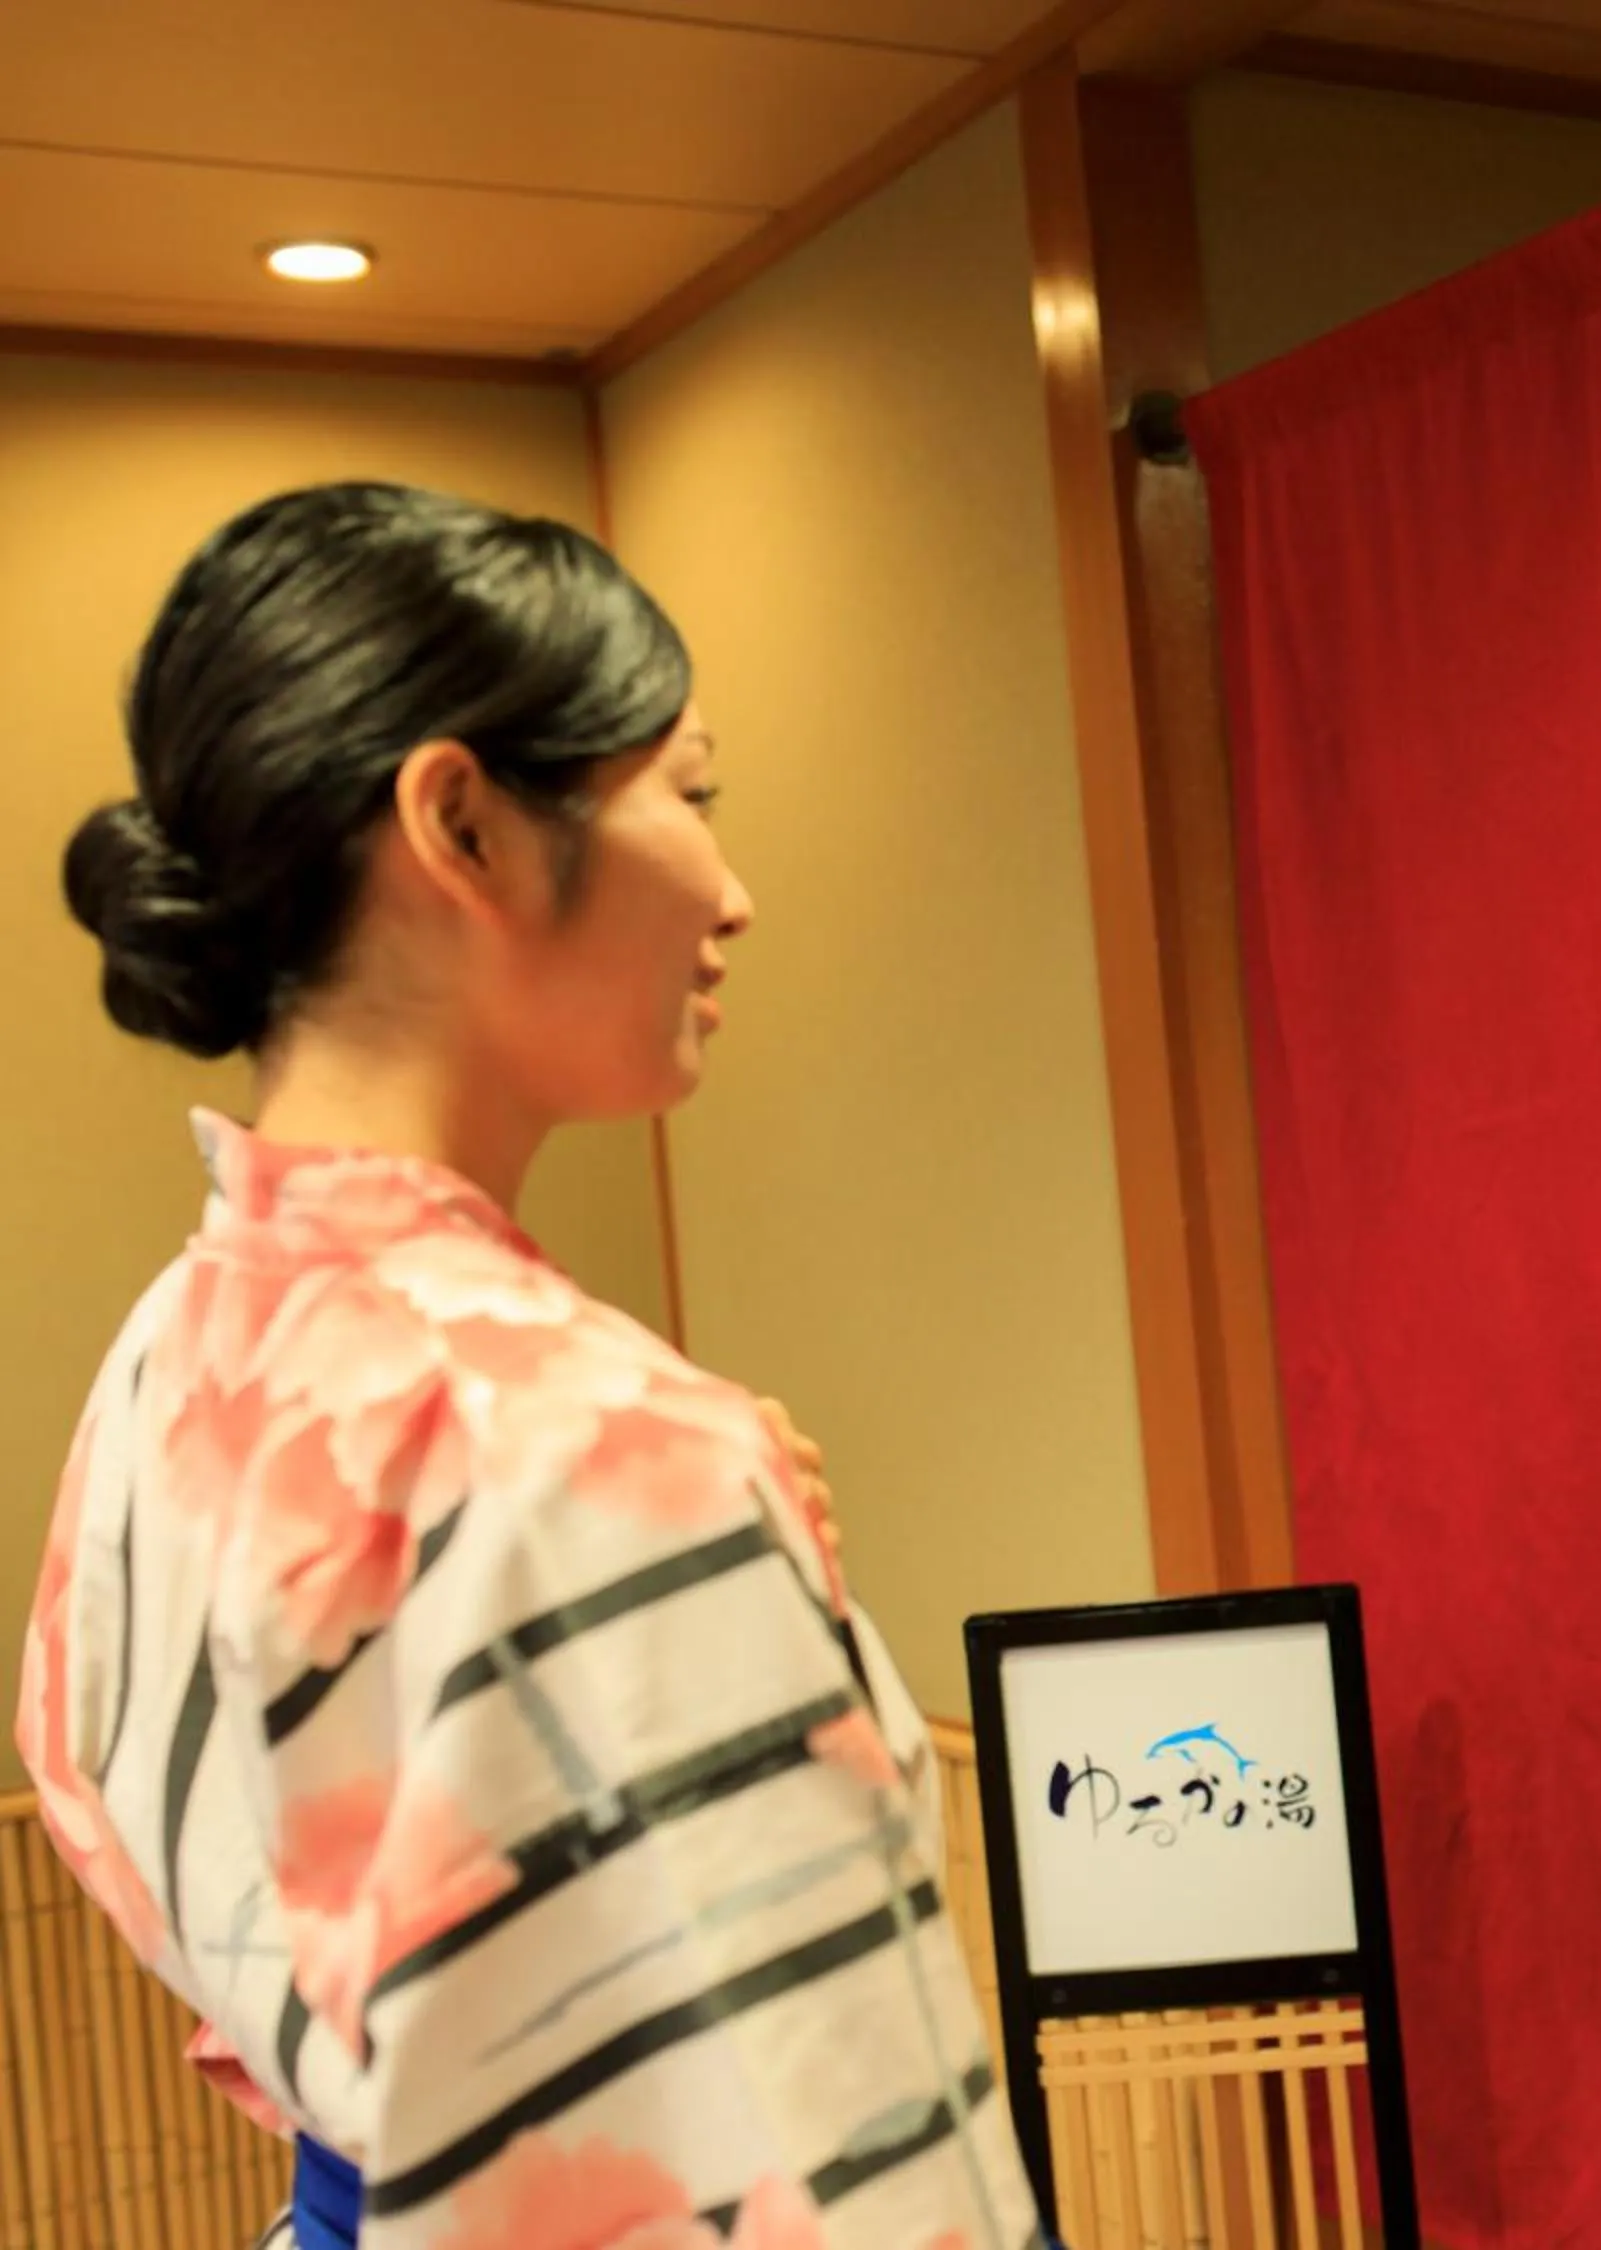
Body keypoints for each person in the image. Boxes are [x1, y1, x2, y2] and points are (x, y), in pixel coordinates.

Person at [19, 484, 1042, 2249]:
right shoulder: (592, 1449)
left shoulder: (178, 1346)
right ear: (463, 825)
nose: (733, 890)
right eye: (691, 794)